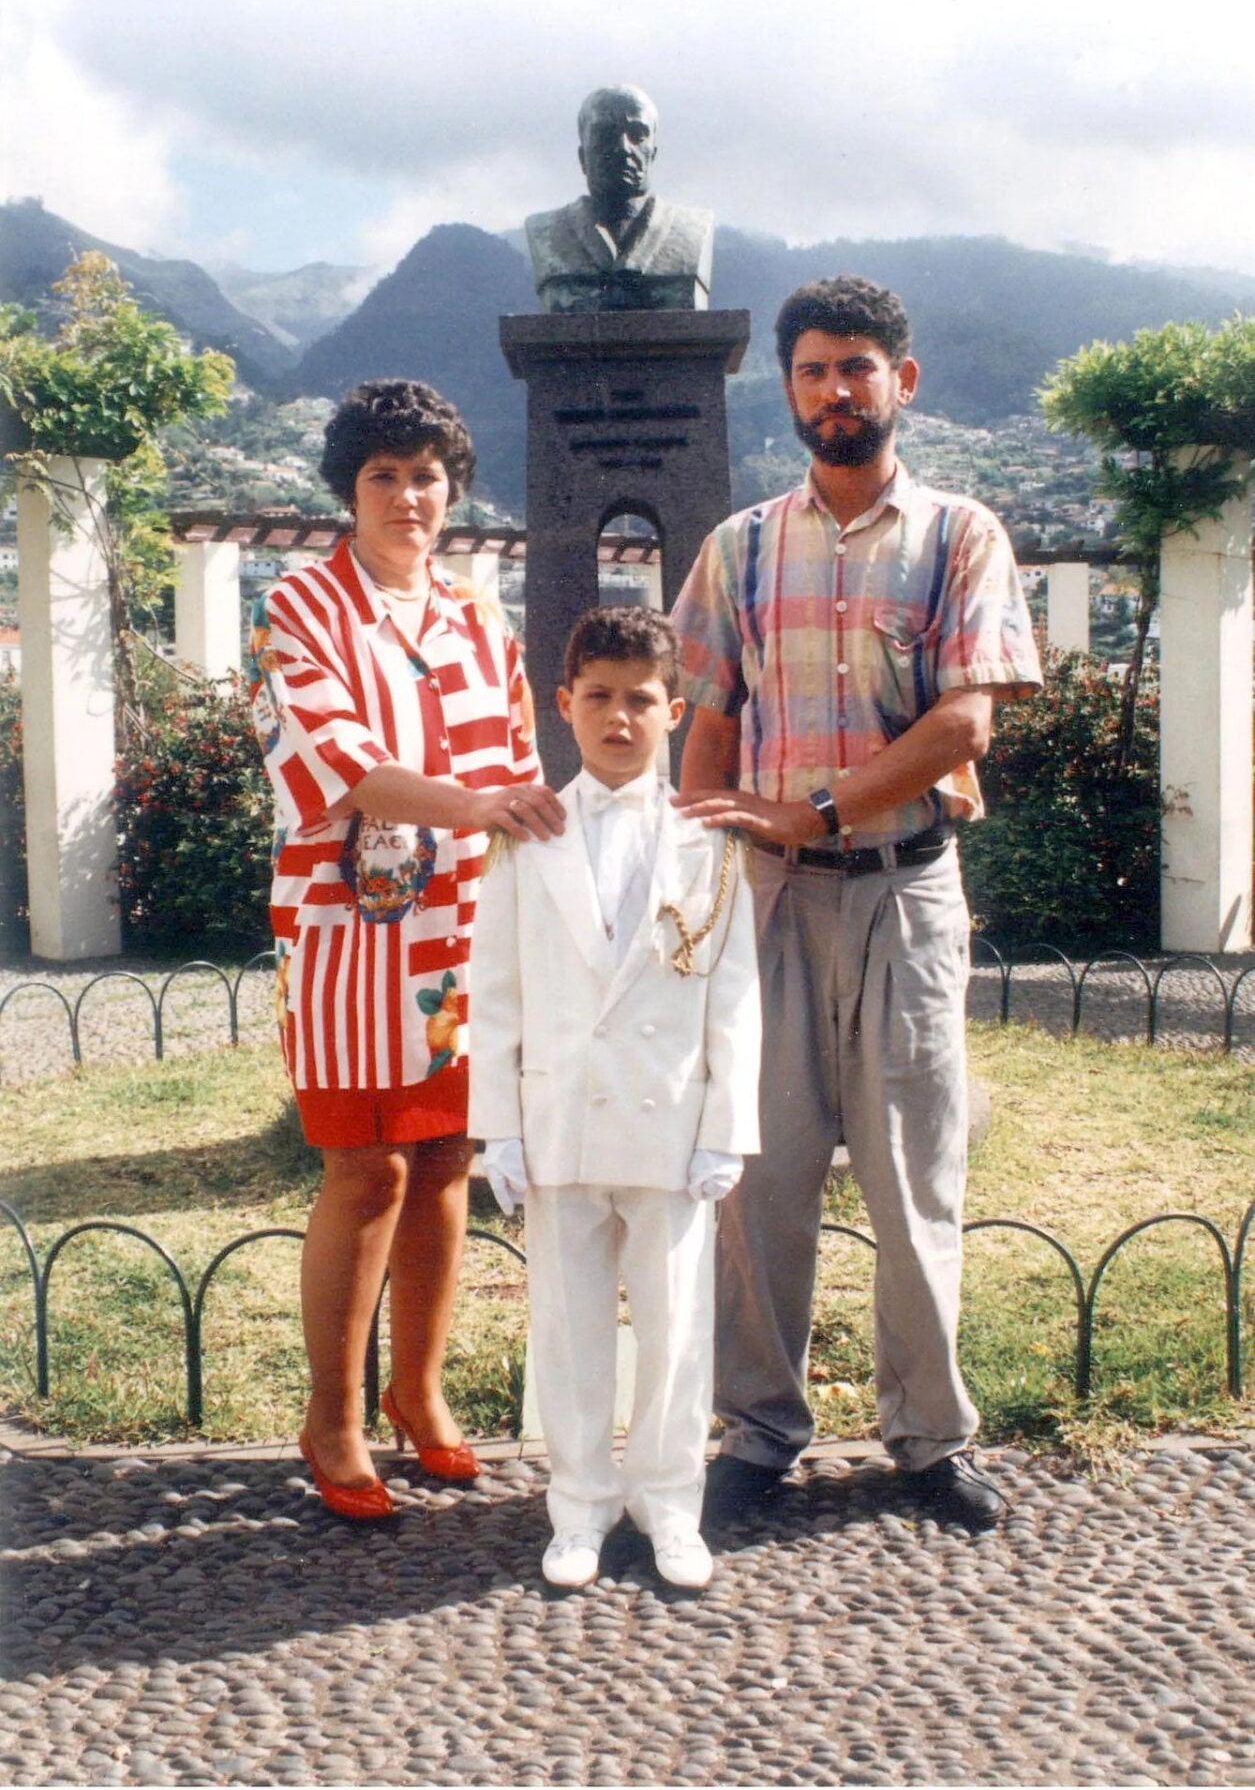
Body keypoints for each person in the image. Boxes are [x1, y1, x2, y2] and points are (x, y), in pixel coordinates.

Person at [670, 277, 1043, 1531]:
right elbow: (708, 719)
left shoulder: (958, 536)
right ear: (788, 388)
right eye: (815, 369)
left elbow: (964, 718)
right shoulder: (739, 546)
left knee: (909, 1176)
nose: (837, 390)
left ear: (904, 382)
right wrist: (703, 869)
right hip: (767, 903)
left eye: (860, 367)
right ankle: (758, 1430)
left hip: (900, 893)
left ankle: (928, 1438)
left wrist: (816, 810)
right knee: (755, 1176)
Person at [250, 378, 564, 1520]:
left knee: (444, 1163)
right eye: (383, 475)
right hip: (343, 928)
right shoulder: (299, 606)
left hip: (462, 927)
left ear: (451, 487)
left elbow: (520, 754)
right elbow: (338, 764)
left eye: (425, 474)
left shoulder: (480, 618)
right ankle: (331, 1416)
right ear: (351, 488)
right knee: (364, 1167)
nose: (407, 496)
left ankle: (417, 1396)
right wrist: (478, 806)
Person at [468, 608, 761, 1588]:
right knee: (568, 1321)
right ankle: (580, 1502)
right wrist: (495, 1131)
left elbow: (734, 996)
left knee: (677, 1325)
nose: (619, 718)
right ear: (564, 705)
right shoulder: (527, 834)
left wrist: (726, 1128)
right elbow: (497, 993)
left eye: (641, 699)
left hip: (668, 1121)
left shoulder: (707, 841)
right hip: (560, 1119)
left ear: (673, 710)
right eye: (598, 696)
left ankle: (670, 1502)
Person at [525, 85, 714, 312]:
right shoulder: (546, 231)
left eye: (638, 135)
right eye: (605, 134)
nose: (623, 148)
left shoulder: (691, 229)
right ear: (582, 156)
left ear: (653, 154)